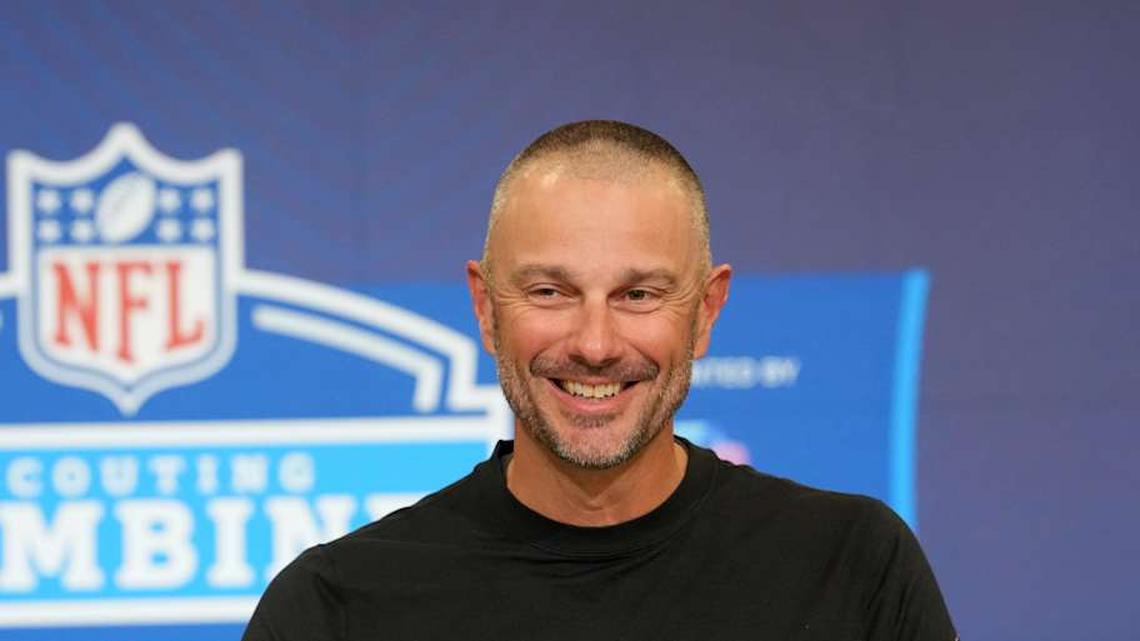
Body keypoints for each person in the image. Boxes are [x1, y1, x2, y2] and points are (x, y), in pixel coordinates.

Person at [242, 120, 958, 640]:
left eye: (639, 294)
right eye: (550, 291)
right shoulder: (336, 607)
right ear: (486, 309)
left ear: (706, 312)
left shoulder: (853, 567)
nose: (594, 343)